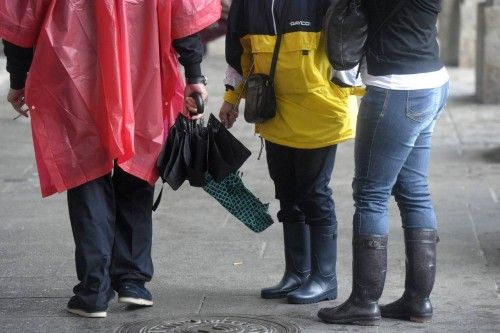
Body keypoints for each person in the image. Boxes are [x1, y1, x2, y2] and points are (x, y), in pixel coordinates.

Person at [1, 0, 220, 318]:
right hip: (144, 69)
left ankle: (94, 290)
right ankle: (132, 280)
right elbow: (184, 11)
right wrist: (194, 74)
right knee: (139, 165)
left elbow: (21, 12)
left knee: (86, 172)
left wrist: (18, 77)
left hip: (74, 73)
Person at [219, 0, 362, 304]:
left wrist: (350, 89)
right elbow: (239, 50)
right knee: (287, 191)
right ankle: (297, 273)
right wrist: (231, 97)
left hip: (319, 110)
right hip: (273, 107)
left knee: (314, 193)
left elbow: (351, 35)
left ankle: (324, 279)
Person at [318, 0, 449, 326]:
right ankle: (419, 301)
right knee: (414, 189)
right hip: (432, 81)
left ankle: (364, 301)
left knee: (370, 194)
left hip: (395, 88)